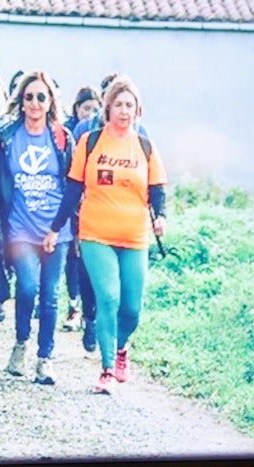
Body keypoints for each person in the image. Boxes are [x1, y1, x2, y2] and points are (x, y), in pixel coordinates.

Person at [52, 77, 167, 394]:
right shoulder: (90, 143)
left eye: (129, 105)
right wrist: (55, 228)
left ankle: (120, 347)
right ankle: (106, 370)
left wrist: (161, 218)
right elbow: (73, 189)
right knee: (108, 297)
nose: (124, 111)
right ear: (108, 108)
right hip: (96, 234)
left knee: (131, 309)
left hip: (134, 237)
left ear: (138, 110)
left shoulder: (145, 146)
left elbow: (157, 189)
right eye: (118, 104)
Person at [0, 71, 73, 385]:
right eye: (29, 97)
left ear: (50, 102)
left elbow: (74, 185)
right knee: (27, 286)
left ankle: (45, 358)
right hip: (20, 226)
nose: (35, 103)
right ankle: (21, 343)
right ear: (21, 101)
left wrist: (68, 227)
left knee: (50, 295)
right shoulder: (7, 137)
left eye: (41, 97)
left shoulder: (61, 138)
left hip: (57, 229)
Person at [62, 85, 102, 333]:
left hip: (95, 203)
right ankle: (74, 305)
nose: (90, 113)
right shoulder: (73, 132)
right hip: (75, 200)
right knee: (73, 257)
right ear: (77, 109)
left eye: (94, 109)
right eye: (86, 108)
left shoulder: (100, 131)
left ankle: (91, 312)